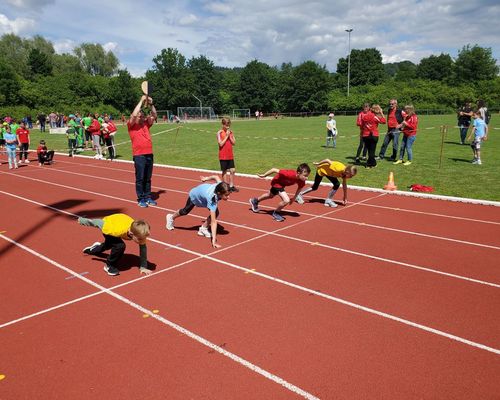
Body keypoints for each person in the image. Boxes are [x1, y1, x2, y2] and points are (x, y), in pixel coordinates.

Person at [166, 176, 231, 248]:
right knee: (185, 211)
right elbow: (213, 222)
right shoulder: (211, 199)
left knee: (216, 212)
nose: (228, 197)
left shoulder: (221, 185)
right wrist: (214, 241)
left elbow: (216, 177)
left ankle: (203, 228)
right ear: (219, 193)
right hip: (195, 195)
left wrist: (206, 178)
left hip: (202, 191)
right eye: (226, 195)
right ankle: (171, 217)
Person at [78, 213, 152, 276]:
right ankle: (109, 265)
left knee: (109, 245)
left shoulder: (140, 234)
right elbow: (98, 223)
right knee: (120, 246)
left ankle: (94, 249)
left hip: (121, 220)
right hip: (110, 223)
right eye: (140, 239)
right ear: (131, 233)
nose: (142, 241)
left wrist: (143, 267)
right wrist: (83, 221)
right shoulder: (115, 229)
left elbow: (143, 249)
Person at [128, 94, 157, 207]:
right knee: (140, 178)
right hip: (139, 155)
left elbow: (154, 114)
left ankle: (148, 196)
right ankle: (141, 199)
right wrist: (141, 101)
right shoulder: (131, 126)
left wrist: (151, 104)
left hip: (149, 153)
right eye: (139, 115)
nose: (141, 117)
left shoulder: (146, 125)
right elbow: (134, 114)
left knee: (148, 178)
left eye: (142, 115)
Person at [357, 103, 386, 168]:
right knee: (372, 151)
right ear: (377, 110)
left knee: (369, 150)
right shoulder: (375, 117)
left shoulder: (365, 116)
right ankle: (369, 164)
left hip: (365, 135)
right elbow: (384, 121)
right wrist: (381, 113)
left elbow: (361, 124)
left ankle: (372, 164)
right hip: (373, 135)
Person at [217, 117, 239, 192]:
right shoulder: (219, 133)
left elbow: (234, 143)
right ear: (222, 124)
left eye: (229, 125)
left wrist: (229, 135)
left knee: (233, 170)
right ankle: (225, 186)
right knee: (224, 171)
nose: (228, 127)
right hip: (223, 155)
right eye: (226, 125)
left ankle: (231, 186)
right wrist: (226, 136)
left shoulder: (231, 132)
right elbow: (220, 144)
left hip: (230, 155)